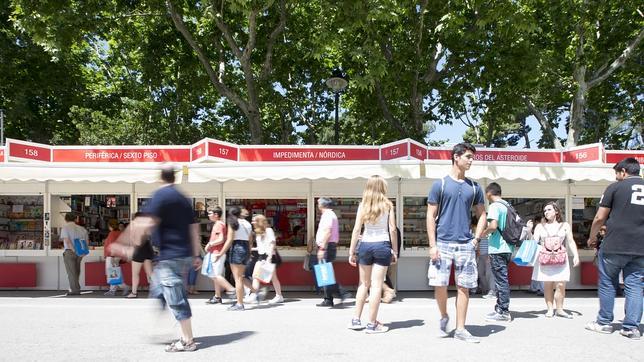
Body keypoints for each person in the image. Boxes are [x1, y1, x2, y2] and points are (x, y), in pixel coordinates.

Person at [126, 165, 202, 352]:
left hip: (171, 255)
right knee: (159, 285)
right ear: (174, 178)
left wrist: (132, 244)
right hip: (182, 254)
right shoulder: (184, 199)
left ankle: (187, 340)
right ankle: (161, 301)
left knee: (176, 296)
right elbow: (194, 229)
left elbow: (147, 222)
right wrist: (196, 254)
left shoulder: (161, 195)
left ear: (160, 178)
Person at [426, 142, 486, 343]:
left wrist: (476, 239)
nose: (471, 161)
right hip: (442, 243)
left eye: (472, 157)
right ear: (456, 157)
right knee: (439, 285)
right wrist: (432, 244)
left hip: (465, 244)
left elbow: (482, 215)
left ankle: (461, 328)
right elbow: (430, 215)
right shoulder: (440, 184)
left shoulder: (475, 187)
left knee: (464, 287)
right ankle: (444, 316)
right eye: (468, 156)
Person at [585, 157, 644, 340]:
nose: (616, 177)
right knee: (635, 286)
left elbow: (599, 218)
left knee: (608, 283)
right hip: (641, 247)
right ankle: (631, 327)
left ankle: (604, 323)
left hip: (614, 245)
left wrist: (592, 237)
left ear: (624, 172)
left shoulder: (614, 188)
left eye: (617, 173)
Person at [348, 175, 398, 333]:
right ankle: (371, 324)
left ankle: (356, 319)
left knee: (363, 284)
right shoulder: (388, 204)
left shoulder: (363, 205)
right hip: (382, 245)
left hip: (365, 245)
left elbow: (357, 229)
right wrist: (395, 250)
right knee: (377, 285)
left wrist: (351, 251)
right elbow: (392, 229)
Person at [532, 201, 580, 319]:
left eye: (549, 210)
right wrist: (529, 231)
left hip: (560, 258)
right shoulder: (539, 226)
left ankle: (560, 309)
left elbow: (570, 241)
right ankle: (550, 309)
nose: (546, 212)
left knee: (560, 284)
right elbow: (534, 241)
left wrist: (576, 255)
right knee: (547, 284)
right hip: (545, 258)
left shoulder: (565, 225)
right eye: (545, 211)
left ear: (556, 211)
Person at [481, 182, 514, 322]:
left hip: (498, 248)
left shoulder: (494, 206)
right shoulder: (508, 205)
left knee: (501, 281)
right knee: (502, 279)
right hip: (507, 248)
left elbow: (493, 226)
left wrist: (484, 233)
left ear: (489, 193)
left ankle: (503, 311)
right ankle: (500, 309)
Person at [314, 197, 351, 307]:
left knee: (325, 273)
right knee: (324, 273)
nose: (317, 205)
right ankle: (328, 299)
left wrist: (322, 248)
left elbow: (327, 231)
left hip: (326, 246)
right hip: (329, 246)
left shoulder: (327, 215)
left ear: (323, 205)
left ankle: (341, 293)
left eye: (318, 203)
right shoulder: (331, 215)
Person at [214, 206, 252, 311]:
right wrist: (249, 252)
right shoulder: (247, 224)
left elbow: (229, 240)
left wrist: (220, 254)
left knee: (238, 279)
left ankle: (240, 304)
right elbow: (250, 240)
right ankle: (240, 301)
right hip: (245, 249)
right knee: (240, 277)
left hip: (236, 248)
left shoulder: (233, 223)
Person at [244, 214, 284, 305]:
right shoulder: (259, 232)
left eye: (254, 220)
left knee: (272, 278)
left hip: (268, 256)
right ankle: (254, 295)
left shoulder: (268, 230)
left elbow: (272, 243)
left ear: (259, 221)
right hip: (262, 256)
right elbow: (262, 247)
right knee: (256, 276)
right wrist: (252, 249)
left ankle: (278, 296)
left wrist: (269, 257)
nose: (252, 222)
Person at [203, 207, 236, 304]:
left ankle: (231, 289)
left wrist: (210, 244)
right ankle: (217, 296)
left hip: (217, 253)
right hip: (216, 253)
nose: (208, 215)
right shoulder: (219, 224)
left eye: (210, 213)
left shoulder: (218, 225)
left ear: (216, 215)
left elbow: (221, 239)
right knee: (214, 274)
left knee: (215, 275)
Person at [126, 213, 154, 299]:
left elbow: (135, 242)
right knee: (150, 273)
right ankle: (163, 290)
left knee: (135, 274)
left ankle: (134, 293)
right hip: (148, 249)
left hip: (139, 250)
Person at [61, 212, 89, 296]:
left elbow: (67, 241)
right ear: (75, 219)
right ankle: (76, 288)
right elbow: (87, 241)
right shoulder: (82, 229)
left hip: (70, 251)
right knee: (76, 271)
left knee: (71, 272)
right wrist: (83, 252)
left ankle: (75, 290)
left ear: (65, 219)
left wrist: (74, 250)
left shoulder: (65, 228)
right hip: (80, 252)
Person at [103, 219, 129, 296]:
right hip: (117, 256)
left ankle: (123, 286)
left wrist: (113, 257)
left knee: (113, 273)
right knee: (114, 273)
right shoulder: (120, 233)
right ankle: (113, 290)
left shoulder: (112, 233)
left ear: (110, 226)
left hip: (112, 256)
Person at [472, 216, 495, 299]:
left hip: (488, 255)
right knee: (480, 273)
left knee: (489, 273)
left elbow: (491, 243)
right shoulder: (476, 231)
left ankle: (492, 290)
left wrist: (489, 254)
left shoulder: (488, 231)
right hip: (480, 255)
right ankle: (485, 289)